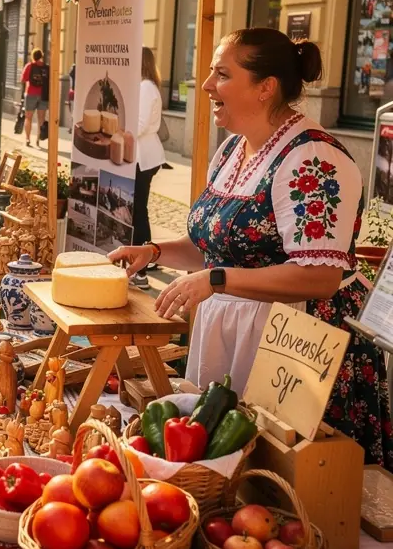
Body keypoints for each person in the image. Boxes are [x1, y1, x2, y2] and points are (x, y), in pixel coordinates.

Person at [110, 27, 392, 469]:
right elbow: (219, 247)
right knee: (224, 472)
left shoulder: (315, 160)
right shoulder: (231, 151)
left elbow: (320, 277)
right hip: (237, 335)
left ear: (265, 88)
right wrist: (155, 252)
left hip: (299, 346)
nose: (205, 86)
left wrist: (217, 280)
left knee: (292, 491)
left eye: (222, 75)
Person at [131, 47, 166, 288]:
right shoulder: (148, 86)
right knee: (138, 210)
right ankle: (144, 260)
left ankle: (141, 270)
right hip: (144, 155)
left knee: (137, 212)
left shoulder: (145, 87)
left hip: (142, 156)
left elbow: (139, 125)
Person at [22, 49, 50, 147]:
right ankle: (38, 139)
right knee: (41, 119)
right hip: (43, 95)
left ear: (33, 56)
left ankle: (28, 139)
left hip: (31, 94)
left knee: (28, 117)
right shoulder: (47, 68)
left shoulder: (29, 66)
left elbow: (23, 79)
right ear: (42, 56)